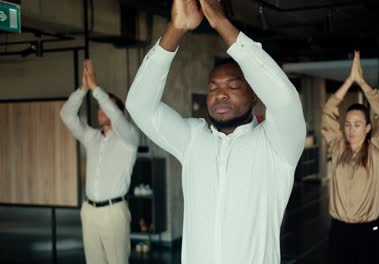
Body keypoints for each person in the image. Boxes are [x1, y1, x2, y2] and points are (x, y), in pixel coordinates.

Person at [125, 0, 306, 263]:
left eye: (233, 87)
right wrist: (176, 29)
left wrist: (221, 23)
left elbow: (285, 99)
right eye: (213, 88)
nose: (220, 94)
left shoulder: (276, 145)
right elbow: (139, 106)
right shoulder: (192, 140)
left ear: (254, 96)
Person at [60, 59, 139, 264]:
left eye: (107, 107)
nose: (101, 110)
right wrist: (83, 89)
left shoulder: (128, 137)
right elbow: (66, 115)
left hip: (114, 212)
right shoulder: (91, 137)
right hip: (89, 211)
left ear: (119, 113)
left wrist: (96, 88)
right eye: (100, 107)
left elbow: (116, 117)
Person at [321, 51, 379, 264]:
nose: (351, 130)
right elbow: (329, 109)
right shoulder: (337, 147)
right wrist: (349, 81)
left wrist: (361, 82)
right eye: (348, 124)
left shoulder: (377, 149)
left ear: (368, 128)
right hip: (339, 230)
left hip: (368, 232)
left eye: (358, 124)